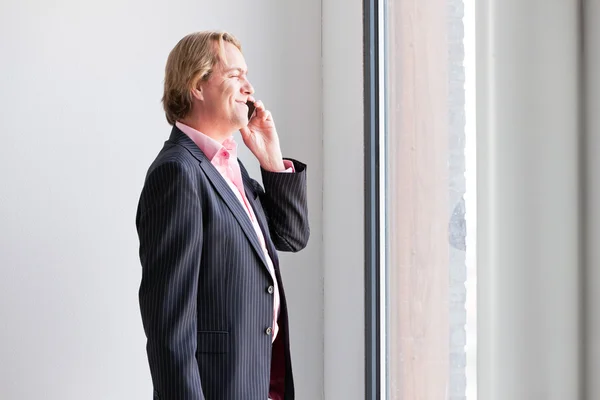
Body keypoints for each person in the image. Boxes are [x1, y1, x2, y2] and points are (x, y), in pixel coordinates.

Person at [135, 31, 310, 400]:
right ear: (197, 86)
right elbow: (169, 329)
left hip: (259, 381)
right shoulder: (179, 173)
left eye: (246, 75)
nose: (249, 87)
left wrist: (272, 160)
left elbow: (292, 236)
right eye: (235, 76)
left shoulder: (230, 166)